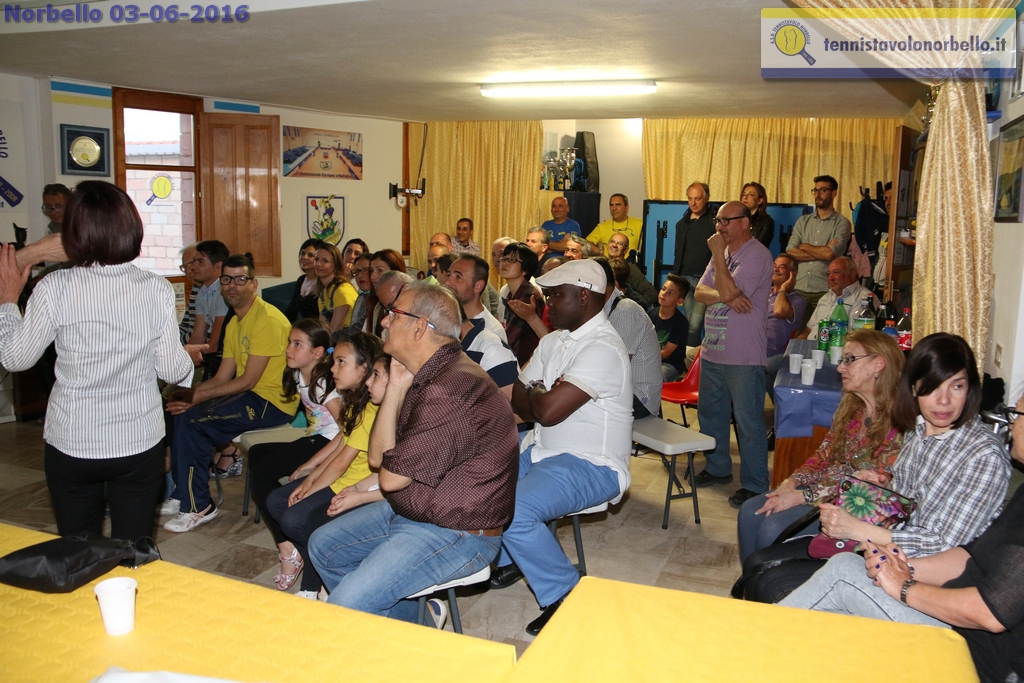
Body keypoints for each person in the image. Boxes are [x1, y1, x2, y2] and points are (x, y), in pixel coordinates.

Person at [308, 282, 518, 626]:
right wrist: (394, 386)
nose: (385, 321)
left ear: (420, 327)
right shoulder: (428, 373)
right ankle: (416, 623)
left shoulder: (449, 388)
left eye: (394, 314)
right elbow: (378, 460)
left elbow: (389, 477)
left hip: (460, 532)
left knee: (345, 604)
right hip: (419, 509)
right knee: (323, 547)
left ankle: (406, 638)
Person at [777, 394, 1024, 683]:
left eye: (1017, 416)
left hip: (980, 658)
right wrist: (896, 567)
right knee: (833, 619)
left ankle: (748, 644)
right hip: (956, 624)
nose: (1012, 424)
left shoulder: (987, 459)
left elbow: (990, 613)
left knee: (844, 574)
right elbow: (967, 556)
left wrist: (904, 587)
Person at [0, 180, 193, 541]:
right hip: (137, 439)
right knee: (133, 550)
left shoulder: (55, 287)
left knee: (78, 550)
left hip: (73, 438)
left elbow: (15, 358)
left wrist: (7, 303)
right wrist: (186, 359)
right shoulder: (155, 288)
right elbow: (172, 370)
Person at [490, 259, 633, 636]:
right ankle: (510, 557)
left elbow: (548, 411)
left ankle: (565, 594)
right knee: (478, 479)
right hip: (541, 448)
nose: (547, 304)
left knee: (515, 510)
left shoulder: (604, 348)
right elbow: (518, 402)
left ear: (584, 296)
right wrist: (541, 393)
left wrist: (538, 391)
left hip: (590, 463)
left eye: (555, 295)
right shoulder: (554, 341)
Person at [737, 330, 905, 561]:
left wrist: (801, 496)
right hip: (824, 490)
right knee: (749, 512)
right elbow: (824, 455)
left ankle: (774, 587)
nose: (840, 368)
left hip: (858, 508)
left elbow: (871, 486)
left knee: (771, 527)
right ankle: (750, 591)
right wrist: (792, 481)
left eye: (849, 359)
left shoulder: (901, 421)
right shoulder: (852, 406)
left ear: (878, 364)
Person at [162, 254, 298, 531]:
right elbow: (224, 376)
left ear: (253, 284)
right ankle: (182, 494)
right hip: (250, 395)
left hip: (271, 402)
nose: (232, 285)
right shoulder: (235, 323)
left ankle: (199, 506)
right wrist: (189, 393)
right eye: (226, 279)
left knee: (193, 420)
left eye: (240, 279)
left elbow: (248, 381)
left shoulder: (267, 320)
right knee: (177, 408)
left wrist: (198, 398)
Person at [265, 331, 384, 599]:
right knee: (276, 502)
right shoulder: (355, 400)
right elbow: (341, 443)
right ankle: (311, 561)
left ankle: (317, 579)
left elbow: (342, 462)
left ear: (363, 368)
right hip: (342, 478)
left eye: (341, 362)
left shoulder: (371, 408)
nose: (333, 368)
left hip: (353, 484)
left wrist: (312, 488)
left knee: (295, 518)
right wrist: (310, 474)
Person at [247, 318, 342, 591]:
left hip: (326, 442)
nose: (289, 349)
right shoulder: (300, 374)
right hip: (312, 438)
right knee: (256, 454)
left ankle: (288, 547)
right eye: (290, 342)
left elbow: (347, 430)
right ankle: (287, 542)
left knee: (262, 474)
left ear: (317, 352)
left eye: (297, 344)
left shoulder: (324, 382)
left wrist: (314, 462)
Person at [692, 201, 774, 509]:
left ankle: (755, 485)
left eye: (726, 220)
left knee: (748, 421)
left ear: (745, 222)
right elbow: (700, 292)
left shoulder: (757, 255)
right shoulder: (723, 254)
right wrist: (724, 295)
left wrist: (717, 262)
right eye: (717, 220)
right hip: (713, 349)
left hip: (743, 355)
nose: (719, 226)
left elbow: (725, 293)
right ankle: (718, 468)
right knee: (711, 415)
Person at [594, 257, 663, 419]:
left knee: (574, 406)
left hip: (638, 395)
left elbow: (617, 365)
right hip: (618, 388)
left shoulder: (626, 310)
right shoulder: (601, 308)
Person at [787, 175, 853, 323]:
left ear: (834, 193)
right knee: (797, 334)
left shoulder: (842, 223)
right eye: (815, 190)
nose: (817, 194)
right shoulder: (803, 221)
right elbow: (790, 251)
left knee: (823, 333)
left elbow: (830, 253)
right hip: (800, 288)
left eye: (822, 190)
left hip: (826, 289)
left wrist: (804, 246)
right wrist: (821, 252)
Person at [674, 182, 716, 347]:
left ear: (706, 199)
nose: (693, 203)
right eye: (690, 199)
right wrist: (676, 280)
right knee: (689, 323)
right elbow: (679, 252)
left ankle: (689, 362)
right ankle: (692, 360)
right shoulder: (682, 224)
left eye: (697, 198)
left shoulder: (714, 222)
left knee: (694, 325)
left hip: (704, 280)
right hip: (684, 278)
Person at [762, 254, 808, 398]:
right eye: (774, 265)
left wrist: (782, 289)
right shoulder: (762, 293)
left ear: (792, 274)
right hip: (750, 349)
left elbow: (780, 311)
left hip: (773, 356)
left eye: (782, 267)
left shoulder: (797, 299)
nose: (775, 269)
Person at [798, 256, 874, 339]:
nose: (831, 278)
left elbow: (859, 336)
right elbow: (808, 330)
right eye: (828, 274)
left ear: (852, 274)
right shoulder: (825, 298)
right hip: (810, 347)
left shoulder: (864, 298)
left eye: (836, 272)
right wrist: (794, 346)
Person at [183, 239, 230, 366]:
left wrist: (185, 362)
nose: (193, 267)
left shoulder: (225, 292)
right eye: (194, 261)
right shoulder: (202, 292)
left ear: (218, 266)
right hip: (209, 356)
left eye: (200, 262)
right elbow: (198, 336)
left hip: (224, 360)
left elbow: (215, 344)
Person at [499, 241, 545, 366]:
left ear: (525, 270)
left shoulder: (528, 295)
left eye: (513, 260)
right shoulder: (511, 293)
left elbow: (509, 338)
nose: (505, 263)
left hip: (525, 362)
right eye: (504, 258)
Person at [446, 254, 508, 343]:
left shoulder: (492, 331)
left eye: (458, 277)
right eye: (448, 275)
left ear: (477, 286)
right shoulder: (444, 318)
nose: (448, 282)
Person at [649, 274, 690, 382]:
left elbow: (666, 353)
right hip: (649, 359)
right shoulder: (650, 314)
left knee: (653, 378)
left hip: (669, 364)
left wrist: (642, 359)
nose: (664, 294)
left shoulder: (681, 323)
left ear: (679, 300)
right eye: (663, 289)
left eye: (670, 293)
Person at [315, 242, 358, 335]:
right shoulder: (323, 293)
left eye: (325, 261)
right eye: (316, 259)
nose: (318, 264)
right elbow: (322, 328)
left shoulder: (343, 290)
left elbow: (335, 331)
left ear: (336, 265)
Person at [606, 232, 658, 309]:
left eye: (620, 243)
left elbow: (652, 293)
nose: (614, 245)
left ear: (626, 250)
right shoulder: (602, 265)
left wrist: (634, 308)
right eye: (612, 241)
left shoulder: (630, 269)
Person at [365, 249, 407, 336]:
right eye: (371, 271)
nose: (373, 276)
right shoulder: (374, 305)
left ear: (396, 273)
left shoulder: (409, 308)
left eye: (379, 270)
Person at [284, 239, 323, 323]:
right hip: (304, 329)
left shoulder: (323, 283)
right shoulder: (301, 280)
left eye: (310, 255)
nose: (304, 257)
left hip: (318, 331)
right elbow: (291, 311)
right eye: (302, 253)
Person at [742, 181, 775, 250]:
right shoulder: (736, 218)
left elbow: (759, 247)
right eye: (744, 194)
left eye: (751, 194)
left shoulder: (767, 222)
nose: (745, 197)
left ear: (760, 200)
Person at [178, 244, 199, 344]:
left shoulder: (216, 291)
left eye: (192, 263)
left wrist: (174, 345)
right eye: (185, 267)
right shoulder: (196, 288)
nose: (188, 271)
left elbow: (200, 335)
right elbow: (185, 325)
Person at [348, 253, 373, 333]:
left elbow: (357, 329)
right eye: (357, 271)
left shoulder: (378, 299)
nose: (360, 275)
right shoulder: (361, 297)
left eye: (365, 270)